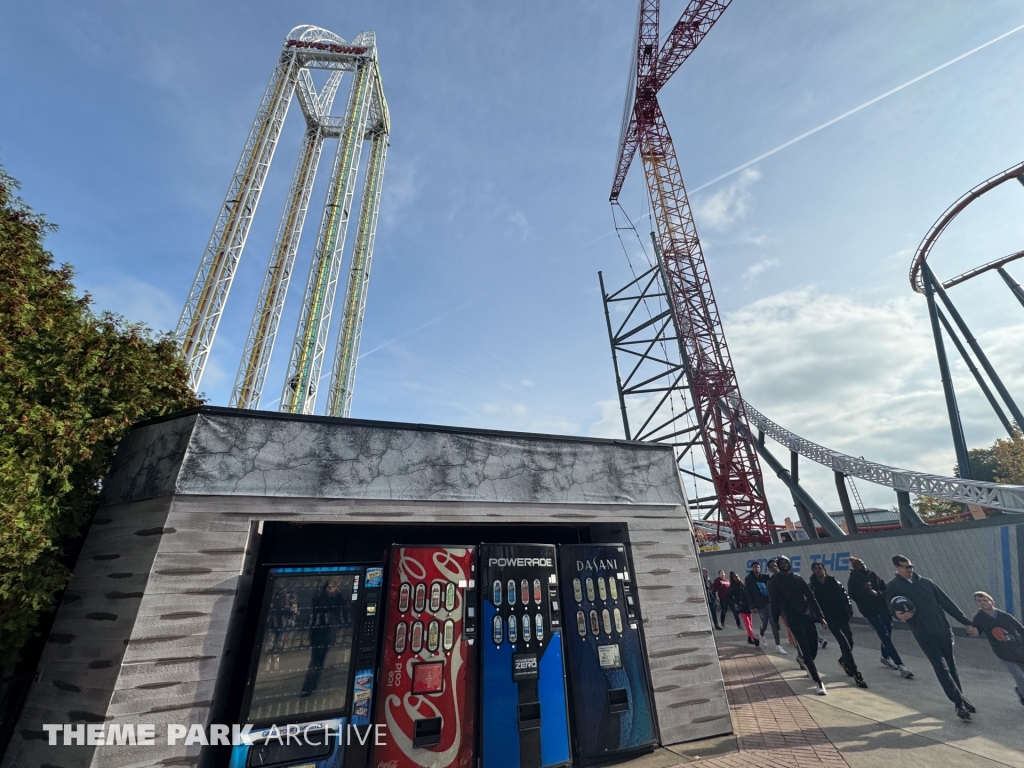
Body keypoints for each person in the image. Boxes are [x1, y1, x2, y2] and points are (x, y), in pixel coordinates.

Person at [887, 555, 977, 720]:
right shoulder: (893, 587)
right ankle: (958, 704)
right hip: (923, 633)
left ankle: (960, 698)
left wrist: (966, 622)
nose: (910, 569)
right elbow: (893, 611)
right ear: (896, 567)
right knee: (941, 667)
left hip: (942, 629)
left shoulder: (926, 582)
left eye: (911, 566)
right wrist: (901, 615)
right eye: (906, 567)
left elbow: (947, 603)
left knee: (951, 666)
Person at [769, 555, 828, 695]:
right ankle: (818, 681)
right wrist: (775, 621)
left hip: (806, 616)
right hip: (792, 618)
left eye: (786, 562)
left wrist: (820, 617)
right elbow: (774, 603)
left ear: (789, 564)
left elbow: (811, 598)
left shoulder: (798, 578)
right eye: (781, 563)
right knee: (805, 648)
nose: (784, 565)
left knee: (813, 646)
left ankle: (803, 660)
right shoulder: (774, 582)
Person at [848, 556, 912, 678]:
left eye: (863, 562)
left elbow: (884, 589)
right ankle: (901, 665)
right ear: (856, 567)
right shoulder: (853, 580)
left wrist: (876, 593)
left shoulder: (873, 575)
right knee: (884, 635)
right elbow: (854, 596)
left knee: (887, 632)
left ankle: (885, 656)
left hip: (882, 609)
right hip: (870, 612)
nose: (863, 565)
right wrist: (864, 590)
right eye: (860, 564)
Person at [810, 562, 867, 688]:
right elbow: (813, 604)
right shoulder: (813, 586)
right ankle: (856, 672)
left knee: (850, 642)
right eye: (816, 569)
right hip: (829, 618)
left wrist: (849, 609)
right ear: (813, 571)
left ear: (824, 569)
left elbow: (844, 595)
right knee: (843, 642)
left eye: (820, 568)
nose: (819, 570)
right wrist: (820, 618)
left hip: (841, 615)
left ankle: (843, 660)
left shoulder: (833, 581)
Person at [968, 591, 1024, 707]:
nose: (982, 603)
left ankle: (1020, 690)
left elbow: (1020, 629)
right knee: (1019, 676)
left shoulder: (1005, 616)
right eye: (979, 601)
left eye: (985, 600)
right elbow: (977, 631)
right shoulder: (979, 618)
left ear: (992, 602)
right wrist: (972, 632)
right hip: (1002, 652)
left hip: (1017, 649)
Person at [746, 562, 785, 654]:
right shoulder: (749, 579)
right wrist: (752, 606)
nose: (757, 568)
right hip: (759, 604)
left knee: (773, 622)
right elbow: (748, 593)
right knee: (764, 622)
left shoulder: (765, 577)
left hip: (768, 602)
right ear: (752, 568)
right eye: (755, 567)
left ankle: (778, 645)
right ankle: (761, 633)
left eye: (758, 567)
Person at [729, 571, 759, 645]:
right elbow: (729, 597)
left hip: (747, 606)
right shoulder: (732, 587)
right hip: (741, 607)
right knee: (747, 624)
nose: (737, 578)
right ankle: (754, 638)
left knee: (750, 624)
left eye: (737, 576)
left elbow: (748, 594)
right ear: (733, 579)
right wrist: (737, 601)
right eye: (735, 577)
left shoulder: (743, 585)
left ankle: (749, 638)